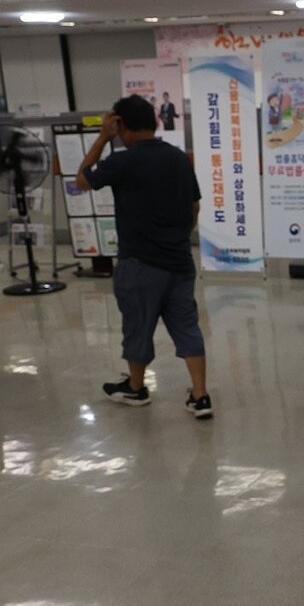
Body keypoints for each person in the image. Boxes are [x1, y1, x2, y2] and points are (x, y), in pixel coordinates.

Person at [75, 94, 212, 418]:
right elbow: (194, 206)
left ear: (120, 124)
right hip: (180, 263)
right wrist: (178, 237)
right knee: (187, 327)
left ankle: (136, 388)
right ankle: (200, 396)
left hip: (139, 265)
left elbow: (82, 180)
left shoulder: (123, 160)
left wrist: (102, 138)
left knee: (137, 326)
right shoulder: (178, 158)